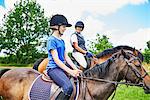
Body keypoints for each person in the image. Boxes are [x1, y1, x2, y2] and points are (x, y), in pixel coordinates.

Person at [46, 14, 82, 100]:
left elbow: (66, 57)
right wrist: (70, 71)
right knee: (68, 87)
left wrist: (75, 69)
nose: (65, 29)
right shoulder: (51, 40)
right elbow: (57, 60)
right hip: (53, 69)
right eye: (63, 26)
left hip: (61, 68)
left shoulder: (62, 41)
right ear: (56, 27)